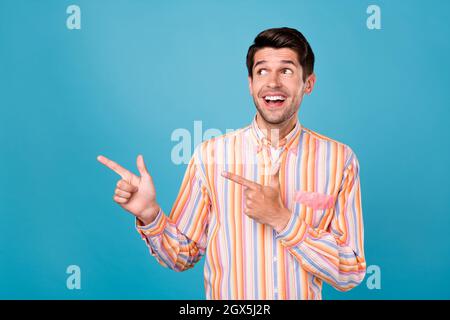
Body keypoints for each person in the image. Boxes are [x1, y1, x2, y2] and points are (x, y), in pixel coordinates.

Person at [97, 27, 366, 300]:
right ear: (250, 83)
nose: (273, 82)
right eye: (262, 71)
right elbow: (182, 256)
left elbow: (351, 271)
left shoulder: (340, 161)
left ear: (308, 83)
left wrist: (281, 218)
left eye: (286, 71)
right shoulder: (210, 156)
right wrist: (150, 215)